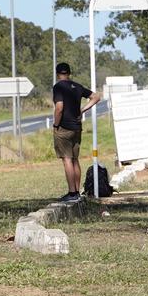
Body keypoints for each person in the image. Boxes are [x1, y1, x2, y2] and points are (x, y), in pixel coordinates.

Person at [52, 63, 101, 202]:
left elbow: (59, 107)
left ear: (57, 74)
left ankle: (72, 193)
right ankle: (77, 192)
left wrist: (56, 124)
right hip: (77, 127)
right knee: (74, 159)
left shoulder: (58, 87)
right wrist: (83, 110)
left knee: (66, 159)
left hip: (64, 127)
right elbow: (96, 97)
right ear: (69, 73)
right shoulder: (77, 86)